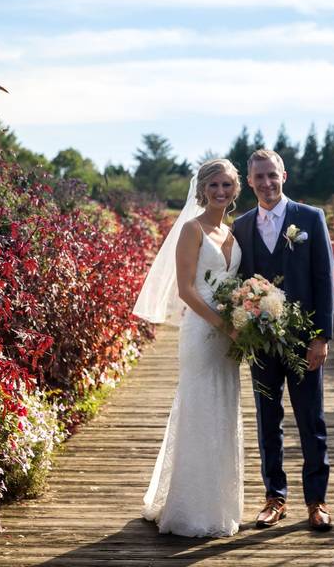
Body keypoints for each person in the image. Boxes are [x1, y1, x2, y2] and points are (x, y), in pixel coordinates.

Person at [133, 158, 245, 537]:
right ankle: (189, 509)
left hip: (230, 336)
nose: (220, 192)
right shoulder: (192, 230)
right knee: (200, 409)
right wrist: (223, 325)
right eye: (214, 185)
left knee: (224, 410)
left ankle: (218, 505)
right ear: (202, 189)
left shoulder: (230, 233)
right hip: (202, 332)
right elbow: (186, 290)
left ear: (235, 189)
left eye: (227, 185)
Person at [231, 149, 334, 532]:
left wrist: (321, 337)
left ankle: (316, 500)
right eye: (259, 177)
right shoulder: (241, 226)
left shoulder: (310, 219)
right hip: (262, 343)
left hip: (305, 341)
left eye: (272, 175)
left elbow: (324, 280)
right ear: (250, 181)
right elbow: (235, 284)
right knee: (267, 420)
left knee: (312, 419)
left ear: (284, 176)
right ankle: (275, 497)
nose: (266, 183)